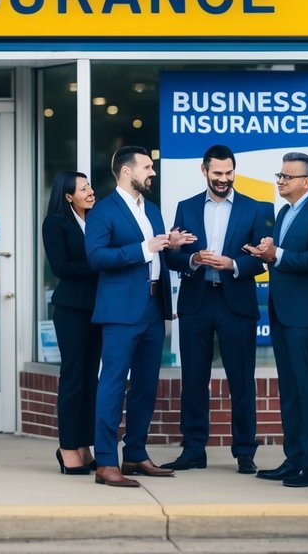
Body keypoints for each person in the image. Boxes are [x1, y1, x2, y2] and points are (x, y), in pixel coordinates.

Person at [85, 146, 194, 487]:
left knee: (146, 386)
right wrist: (145, 248)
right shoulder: (104, 211)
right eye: (147, 167)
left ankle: (134, 454)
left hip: (153, 307)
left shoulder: (152, 211)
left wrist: (175, 248)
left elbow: (159, 256)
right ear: (127, 171)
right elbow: (96, 258)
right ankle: (105, 462)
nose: (153, 172)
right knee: (113, 384)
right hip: (120, 311)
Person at [161, 144, 271, 475]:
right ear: (204, 171)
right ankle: (194, 449)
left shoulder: (255, 209)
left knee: (241, 380)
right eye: (217, 173)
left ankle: (244, 452)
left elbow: (263, 258)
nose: (223, 179)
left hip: (235, 302)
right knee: (194, 379)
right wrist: (193, 259)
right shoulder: (186, 207)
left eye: (228, 173)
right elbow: (172, 255)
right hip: (196, 302)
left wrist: (233, 264)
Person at [245, 152, 308, 488]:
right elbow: (285, 257)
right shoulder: (285, 212)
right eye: (280, 175)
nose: (280, 180)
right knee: (290, 389)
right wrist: (269, 251)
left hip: (306, 314)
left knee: (307, 388)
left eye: (288, 176)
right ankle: (295, 458)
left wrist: (279, 255)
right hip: (283, 311)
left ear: (307, 181)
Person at [41, 171, 100, 475]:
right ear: (68, 196)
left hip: (98, 309)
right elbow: (62, 267)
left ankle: (85, 444)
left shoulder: (97, 220)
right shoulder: (55, 223)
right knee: (74, 377)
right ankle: (67, 447)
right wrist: (103, 263)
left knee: (92, 379)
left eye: (89, 185)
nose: (91, 191)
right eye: (83, 188)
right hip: (71, 310)